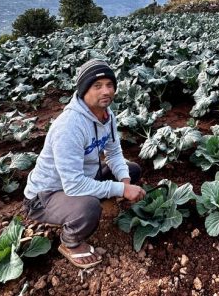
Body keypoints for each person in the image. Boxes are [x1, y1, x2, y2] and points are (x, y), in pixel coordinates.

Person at [23, 59, 145, 269]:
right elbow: (73, 185)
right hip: (46, 195)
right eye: (97, 86)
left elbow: (114, 153)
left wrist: (124, 182)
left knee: (132, 170)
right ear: (83, 90)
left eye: (109, 85)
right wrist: (121, 189)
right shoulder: (69, 126)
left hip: (84, 178)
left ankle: (100, 199)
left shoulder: (107, 116)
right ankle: (70, 242)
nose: (106, 91)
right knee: (89, 207)